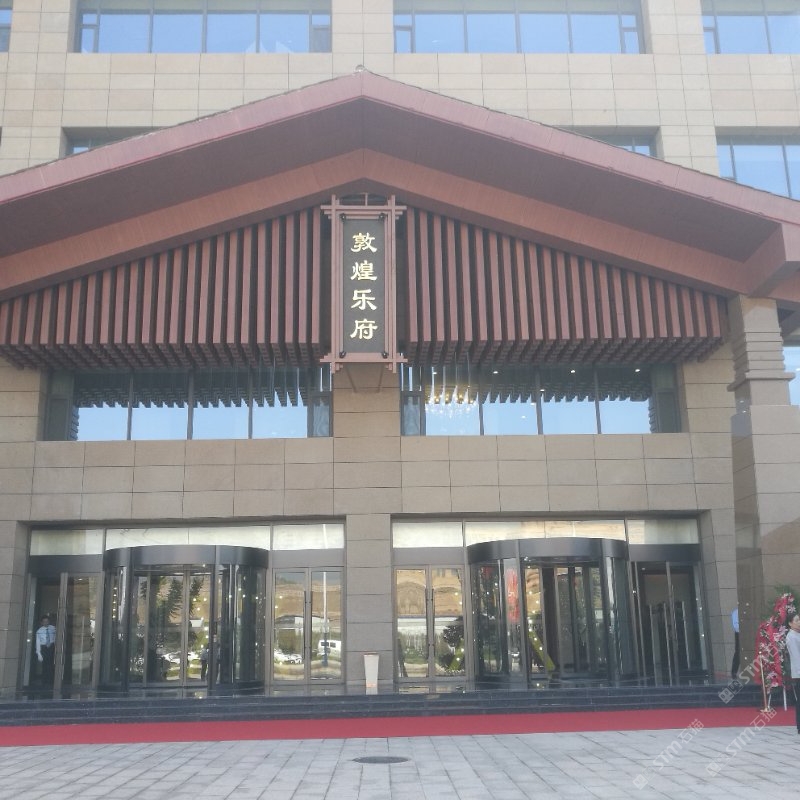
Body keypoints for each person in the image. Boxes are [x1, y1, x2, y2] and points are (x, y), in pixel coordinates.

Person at [787, 613, 800, 735]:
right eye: (796, 620)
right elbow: (796, 657)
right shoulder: (791, 637)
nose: (799, 622)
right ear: (790, 623)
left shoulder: (797, 635)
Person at [35, 614, 56, 687]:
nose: (46, 623)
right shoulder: (39, 631)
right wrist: (39, 653)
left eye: (47, 621)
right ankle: (45, 681)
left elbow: (56, 637)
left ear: (49, 621)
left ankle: (51, 681)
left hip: (51, 647)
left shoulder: (53, 628)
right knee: (45, 665)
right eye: (44, 622)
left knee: (51, 664)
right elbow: (38, 643)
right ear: (42, 622)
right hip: (44, 647)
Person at [731, 606, 740, 678]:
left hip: (747, 633)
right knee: (738, 652)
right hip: (739, 634)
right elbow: (736, 626)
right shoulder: (735, 612)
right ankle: (734, 672)